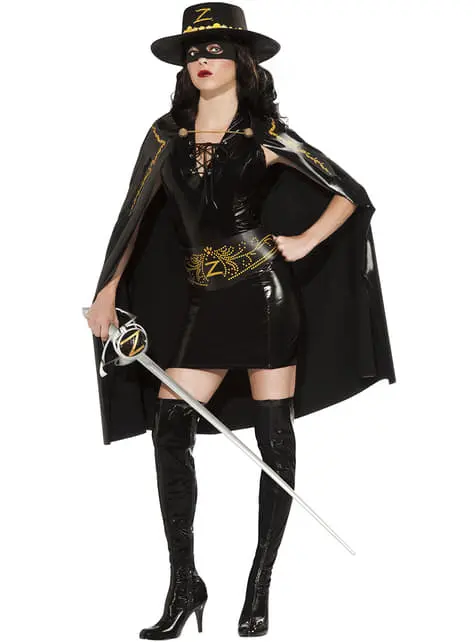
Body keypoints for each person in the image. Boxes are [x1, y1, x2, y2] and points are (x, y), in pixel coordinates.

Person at [86, 2, 396, 638]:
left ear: (240, 61)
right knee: (170, 426)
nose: (202, 60)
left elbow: (352, 194)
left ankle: (259, 584)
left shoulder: (267, 135)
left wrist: (305, 242)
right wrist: (107, 291)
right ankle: (184, 583)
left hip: (264, 296)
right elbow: (133, 216)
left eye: (216, 51)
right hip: (204, 300)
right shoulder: (165, 136)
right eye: (193, 53)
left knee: (274, 439)